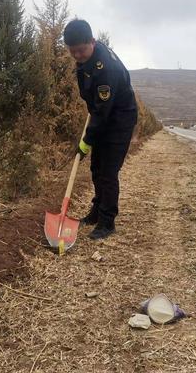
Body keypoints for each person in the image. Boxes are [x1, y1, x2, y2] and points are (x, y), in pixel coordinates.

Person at [63, 19, 138, 240]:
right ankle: (96, 212)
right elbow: (95, 104)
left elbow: (102, 114)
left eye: (81, 50)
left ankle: (107, 221)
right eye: (72, 52)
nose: (77, 56)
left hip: (119, 119)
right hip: (104, 113)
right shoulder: (87, 59)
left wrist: (85, 144)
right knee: (97, 168)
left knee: (108, 172)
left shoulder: (106, 70)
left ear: (92, 42)